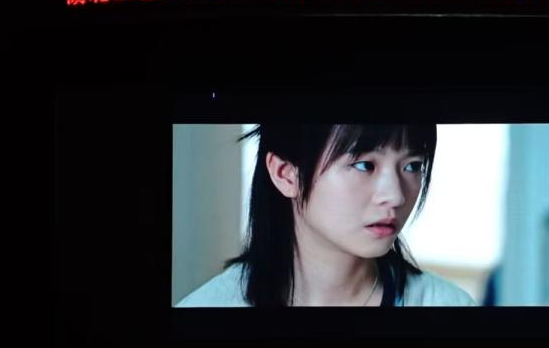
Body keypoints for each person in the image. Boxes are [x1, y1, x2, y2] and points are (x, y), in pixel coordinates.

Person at [176, 123, 477, 307]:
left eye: (412, 166)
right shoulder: (209, 308)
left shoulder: (447, 306)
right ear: (286, 174)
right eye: (365, 165)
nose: (396, 196)